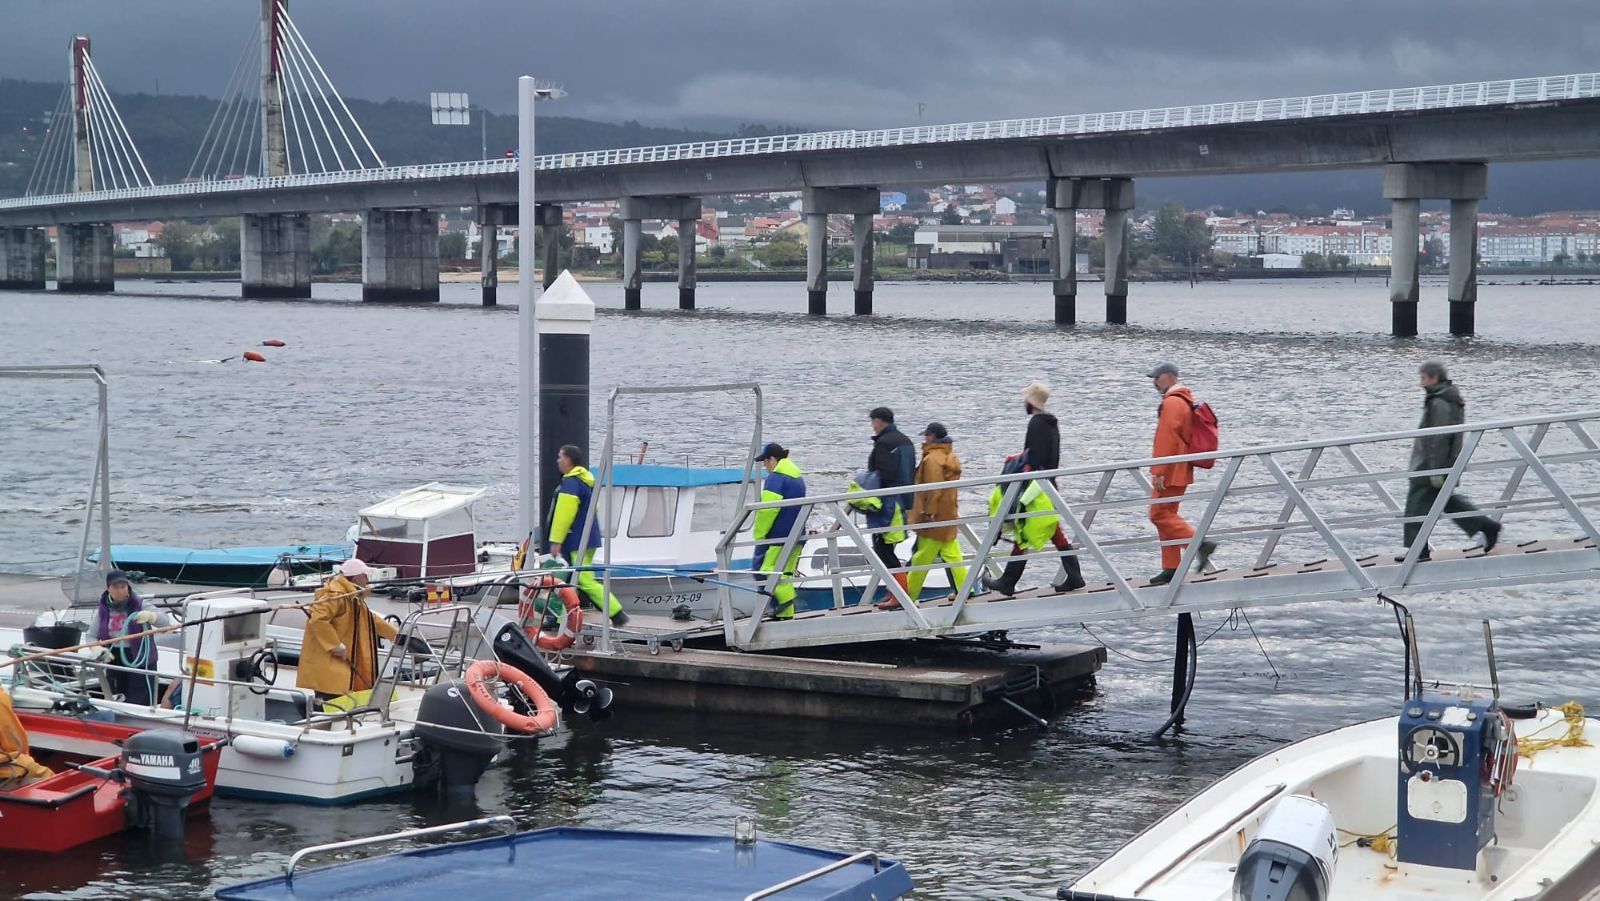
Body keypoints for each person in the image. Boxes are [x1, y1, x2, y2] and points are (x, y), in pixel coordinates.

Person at [1399, 361, 1500, 561]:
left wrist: (1435, 471)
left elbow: (1438, 438)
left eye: (1423, 378)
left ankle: (1418, 550)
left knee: (1416, 504)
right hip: (1441, 463)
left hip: (1430, 464)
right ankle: (1486, 526)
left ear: (1434, 378)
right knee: (1444, 500)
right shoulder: (1448, 398)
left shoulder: (1439, 402)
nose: (1421, 383)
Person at [1146, 362, 1216, 586]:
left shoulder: (1173, 402)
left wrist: (1159, 470)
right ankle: (1171, 567)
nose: (1154, 383)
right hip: (1179, 467)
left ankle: (1199, 545)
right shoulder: (1183, 400)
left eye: (1156, 378)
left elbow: (1166, 437)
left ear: (1168, 377)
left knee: (1158, 515)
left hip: (1170, 470)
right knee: (1167, 517)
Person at [297, 557, 399, 705]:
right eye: (365, 576)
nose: (367, 580)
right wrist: (334, 645)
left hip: (344, 662)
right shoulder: (335, 595)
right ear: (357, 578)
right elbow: (318, 619)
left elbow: (370, 619)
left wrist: (396, 634)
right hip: (332, 664)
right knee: (332, 699)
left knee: (343, 697)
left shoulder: (352, 596)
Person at [547, 444, 627, 626]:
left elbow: (563, 515)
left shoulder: (570, 484)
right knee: (569, 579)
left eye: (560, 457)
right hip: (587, 538)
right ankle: (557, 618)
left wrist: (556, 541)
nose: (558, 461)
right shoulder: (585, 482)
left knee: (576, 579)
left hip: (575, 540)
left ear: (568, 460)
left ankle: (615, 612)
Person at [1019, 381, 1087, 592]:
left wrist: (1024, 474)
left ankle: (1008, 581)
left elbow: (1036, 457)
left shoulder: (1036, 424)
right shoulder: (1050, 423)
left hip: (1038, 487)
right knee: (1053, 531)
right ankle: (1074, 575)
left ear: (1030, 401)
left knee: (1024, 530)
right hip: (1049, 485)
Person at [895, 423, 969, 608]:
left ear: (933, 437)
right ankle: (966, 589)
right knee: (952, 554)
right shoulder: (949, 455)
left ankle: (908, 595)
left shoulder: (932, 460)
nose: (925, 439)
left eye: (927, 435)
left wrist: (929, 512)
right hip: (948, 512)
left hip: (935, 517)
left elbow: (933, 488)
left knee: (922, 557)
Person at [751, 443, 807, 620]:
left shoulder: (775, 479)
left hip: (777, 537)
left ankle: (779, 609)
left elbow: (768, 510)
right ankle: (786, 614)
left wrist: (759, 535)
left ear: (772, 459)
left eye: (765, 462)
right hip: (797, 535)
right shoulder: (797, 477)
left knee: (763, 571)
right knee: (785, 574)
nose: (765, 467)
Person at [92, 569, 164, 706]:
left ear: (128, 587)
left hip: (140, 656)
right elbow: (91, 635)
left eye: (123, 587)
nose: (120, 591)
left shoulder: (140, 604)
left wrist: (151, 616)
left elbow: (165, 622)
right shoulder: (103, 609)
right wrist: (96, 648)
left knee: (140, 698)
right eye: (115, 587)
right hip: (114, 656)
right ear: (108, 589)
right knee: (117, 695)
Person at [866, 407, 915, 585]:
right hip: (904, 499)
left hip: (887, 503)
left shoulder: (885, 443)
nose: (872, 426)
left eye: (873, 422)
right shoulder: (906, 441)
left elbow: (883, 474)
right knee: (887, 548)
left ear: (879, 421)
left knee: (882, 549)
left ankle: (900, 593)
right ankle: (897, 592)